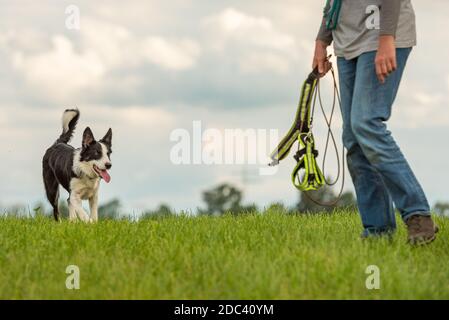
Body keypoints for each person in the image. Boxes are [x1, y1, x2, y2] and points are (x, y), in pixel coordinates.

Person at [313, 0, 438, 244]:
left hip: (381, 36)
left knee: (366, 123)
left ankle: (418, 215)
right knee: (353, 136)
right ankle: (378, 230)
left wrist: (386, 38)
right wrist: (322, 40)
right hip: (348, 40)